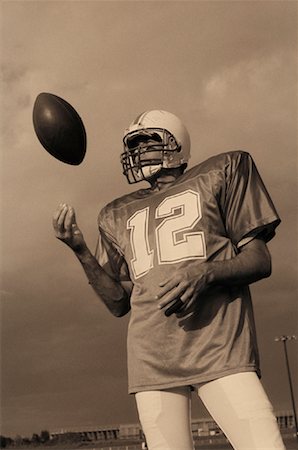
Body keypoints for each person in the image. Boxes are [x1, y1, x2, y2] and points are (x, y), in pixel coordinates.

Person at [53, 110, 285, 450]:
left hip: (218, 347)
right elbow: (119, 302)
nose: (137, 151)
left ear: (176, 144)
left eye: (147, 141)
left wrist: (204, 273)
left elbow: (259, 260)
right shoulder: (115, 213)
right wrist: (80, 251)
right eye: (133, 144)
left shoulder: (223, 171)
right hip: (152, 358)